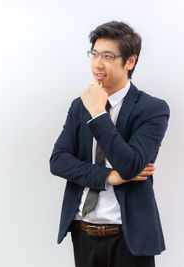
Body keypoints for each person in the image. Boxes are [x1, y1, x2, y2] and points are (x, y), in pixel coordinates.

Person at [49, 21, 170, 267]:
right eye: (94, 54)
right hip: (84, 233)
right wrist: (107, 177)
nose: (98, 64)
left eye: (107, 56)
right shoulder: (79, 105)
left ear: (130, 61)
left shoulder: (153, 109)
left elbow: (130, 165)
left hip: (129, 239)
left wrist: (98, 113)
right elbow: (58, 161)